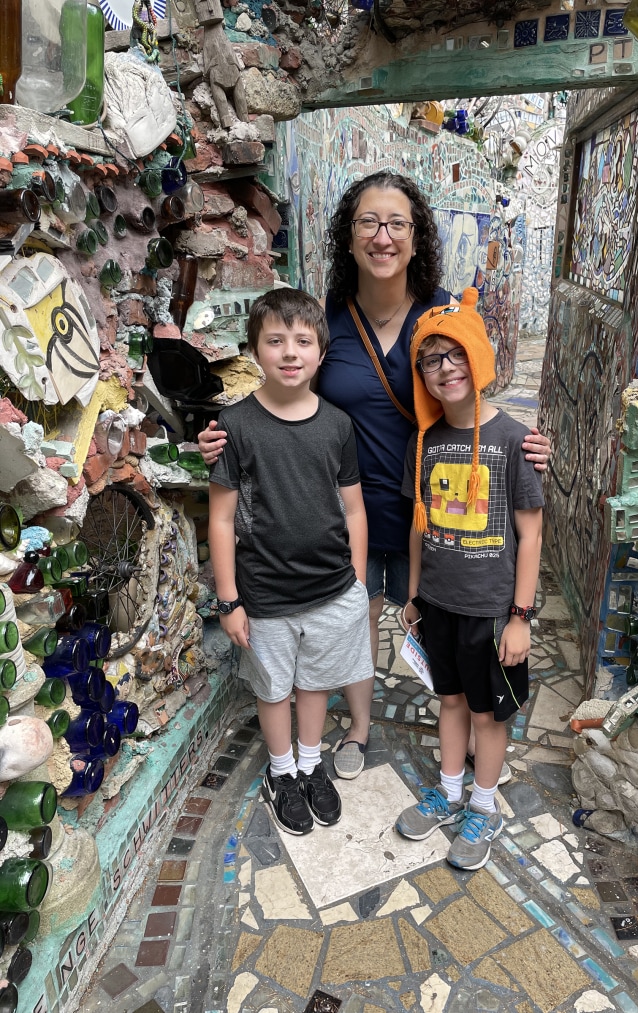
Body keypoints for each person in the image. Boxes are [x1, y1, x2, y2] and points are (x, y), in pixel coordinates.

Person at [199, 171, 551, 780]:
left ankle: (472, 725)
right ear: (349, 234)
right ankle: (358, 731)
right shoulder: (328, 321)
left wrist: (525, 446)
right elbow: (281, 391)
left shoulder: (442, 317)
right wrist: (223, 433)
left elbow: (474, 399)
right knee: (354, 625)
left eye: (396, 224)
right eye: (369, 222)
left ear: (416, 238)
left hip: (431, 514)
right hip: (344, 512)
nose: (383, 236)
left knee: (455, 624)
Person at [208, 288, 374, 836]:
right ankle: (282, 773)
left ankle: (309, 762)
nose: (289, 352)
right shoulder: (235, 427)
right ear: (255, 349)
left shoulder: (337, 426)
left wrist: (356, 581)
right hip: (265, 594)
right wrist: (228, 600)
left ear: (321, 353)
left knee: (315, 685)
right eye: (275, 340)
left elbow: (353, 506)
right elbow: (223, 520)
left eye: (303, 340)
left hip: (331, 588)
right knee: (274, 687)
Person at [394, 289, 543, 870]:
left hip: (491, 609)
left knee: (489, 713)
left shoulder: (512, 440)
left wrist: (520, 617)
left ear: (477, 357)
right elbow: (417, 524)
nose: (445, 368)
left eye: (455, 354)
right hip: (438, 603)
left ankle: (485, 804)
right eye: (431, 360)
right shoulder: (423, 442)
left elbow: (530, 535)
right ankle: (449, 791)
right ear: (421, 375)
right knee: (450, 701)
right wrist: (412, 594)